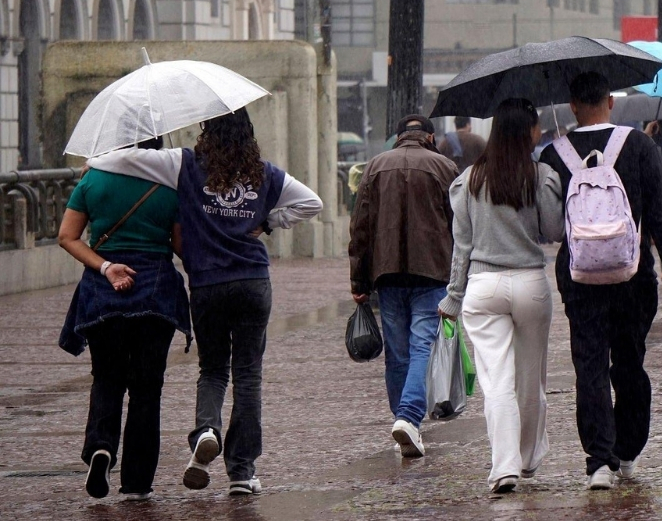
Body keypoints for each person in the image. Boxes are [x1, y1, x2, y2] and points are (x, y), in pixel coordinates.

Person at [86, 109, 322, 495]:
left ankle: (206, 431)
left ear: (205, 131)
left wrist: (94, 160)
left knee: (213, 368)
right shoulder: (266, 173)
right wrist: (269, 222)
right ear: (249, 133)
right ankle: (242, 472)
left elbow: (123, 159)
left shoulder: (184, 164)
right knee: (248, 374)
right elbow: (312, 203)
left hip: (208, 283)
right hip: (252, 281)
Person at [538, 72, 662, 490]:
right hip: (633, 276)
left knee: (589, 366)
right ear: (610, 100)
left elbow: (550, 225)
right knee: (629, 362)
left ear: (572, 105)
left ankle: (598, 462)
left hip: (579, 278)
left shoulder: (554, 155)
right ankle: (627, 451)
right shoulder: (638, 145)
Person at [438, 99, 564, 494]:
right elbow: (554, 230)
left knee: (496, 382)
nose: (540, 133)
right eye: (536, 127)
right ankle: (527, 458)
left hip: (482, 286)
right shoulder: (540, 175)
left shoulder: (468, 181)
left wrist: (453, 299)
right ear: (527, 132)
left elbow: (462, 246)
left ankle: (504, 466)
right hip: (529, 282)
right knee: (530, 381)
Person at [58, 136, 190, 502]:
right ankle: (136, 482)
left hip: (103, 291)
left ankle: (101, 448)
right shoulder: (169, 182)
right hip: (156, 291)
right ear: (157, 142)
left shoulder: (93, 178)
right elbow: (179, 245)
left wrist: (105, 265)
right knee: (147, 388)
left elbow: (67, 237)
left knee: (107, 377)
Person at [349, 115, 458, 458]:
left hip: (387, 271)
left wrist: (359, 280)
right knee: (422, 343)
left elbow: (361, 227)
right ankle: (409, 418)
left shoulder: (375, 166)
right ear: (429, 136)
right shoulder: (444, 168)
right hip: (432, 270)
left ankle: (404, 420)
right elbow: (460, 225)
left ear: (398, 138)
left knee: (398, 353)